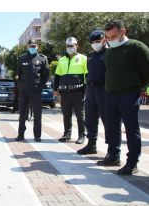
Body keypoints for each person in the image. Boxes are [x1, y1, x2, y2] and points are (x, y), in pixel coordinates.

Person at [97, 20, 149, 175]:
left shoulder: (136, 47)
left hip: (129, 95)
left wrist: (140, 89)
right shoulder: (110, 50)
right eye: (108, 37)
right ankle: (113, 156)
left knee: (131, 130)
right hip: (110, 94)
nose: (110, 40)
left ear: (123, 32)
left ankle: (132, 163)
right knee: (112, 128)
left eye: (113, 36)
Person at [77, 30, 109, 155]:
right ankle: (91, 145)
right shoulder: (91, 56)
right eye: (93, 42)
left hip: (104, 90)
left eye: (98, 41)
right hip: (90, 90)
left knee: (108, 120)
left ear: (104, 40)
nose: (95, 44)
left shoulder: (109, 53)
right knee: (90, 119)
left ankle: (111, 150)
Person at [54, 37, 88, 144]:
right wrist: (55, 89)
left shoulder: (83, 58)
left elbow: (87, 75)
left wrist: (87, 90)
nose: (70, 48)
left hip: (78, 91)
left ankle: (82, 135)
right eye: (68, 46)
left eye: (72, 45)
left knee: (80, 115)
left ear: (76, 46)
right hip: (65, 92)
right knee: (66, 114)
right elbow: (57, 76)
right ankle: (67, 134)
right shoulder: (62, 60)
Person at [15, 39, 49, 142]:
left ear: (37, 47)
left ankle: (37, 136)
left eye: (34, 46)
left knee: (37, 115)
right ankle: (21, 134)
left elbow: (45, 75)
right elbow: (17, 74)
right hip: (24, 92)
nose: (32, 48)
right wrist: (20, 87)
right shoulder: (22, 59)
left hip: (36, 91)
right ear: (28, 47)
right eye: (31, 46)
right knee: (22, 114)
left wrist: (40, 86)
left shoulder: (42, 59)